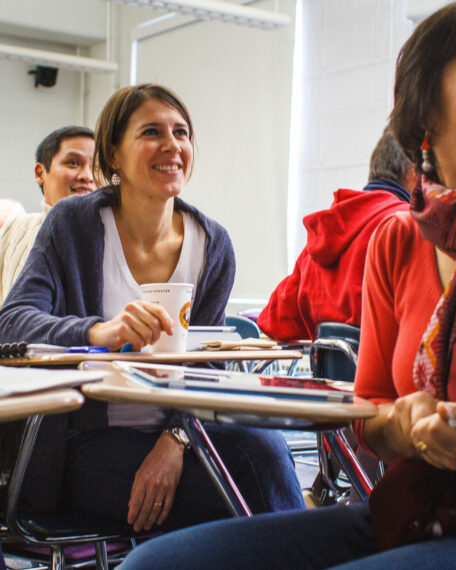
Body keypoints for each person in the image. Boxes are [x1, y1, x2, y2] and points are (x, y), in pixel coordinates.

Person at [117, 1, 456, 568]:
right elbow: (372, 420)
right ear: (424, 113)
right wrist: (405, 426)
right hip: (421, 512)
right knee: (154, 564)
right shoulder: (397, 241)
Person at [0, 84, 304, 532]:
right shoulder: (73, 224)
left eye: (181, 132)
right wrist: (98, 331)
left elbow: (202, 366)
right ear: (114, 155)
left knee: (267, 451)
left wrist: (174, 440)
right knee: (227, 503)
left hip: (179, 431)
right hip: (83, 439)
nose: (172, 145)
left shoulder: (212, 243)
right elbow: (12, 321)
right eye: (151, 132)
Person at [257, 128, 416, 341]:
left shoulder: (324, 233)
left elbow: (273, 321)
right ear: (414, 173)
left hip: (327, 374)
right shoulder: (410, 227)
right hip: (389, 373)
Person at [0, 126, 97, 304]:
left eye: (97, 166)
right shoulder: (14, 229)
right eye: (74, 163)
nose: (87, 176)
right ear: (40, 173)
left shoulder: (115, 237)